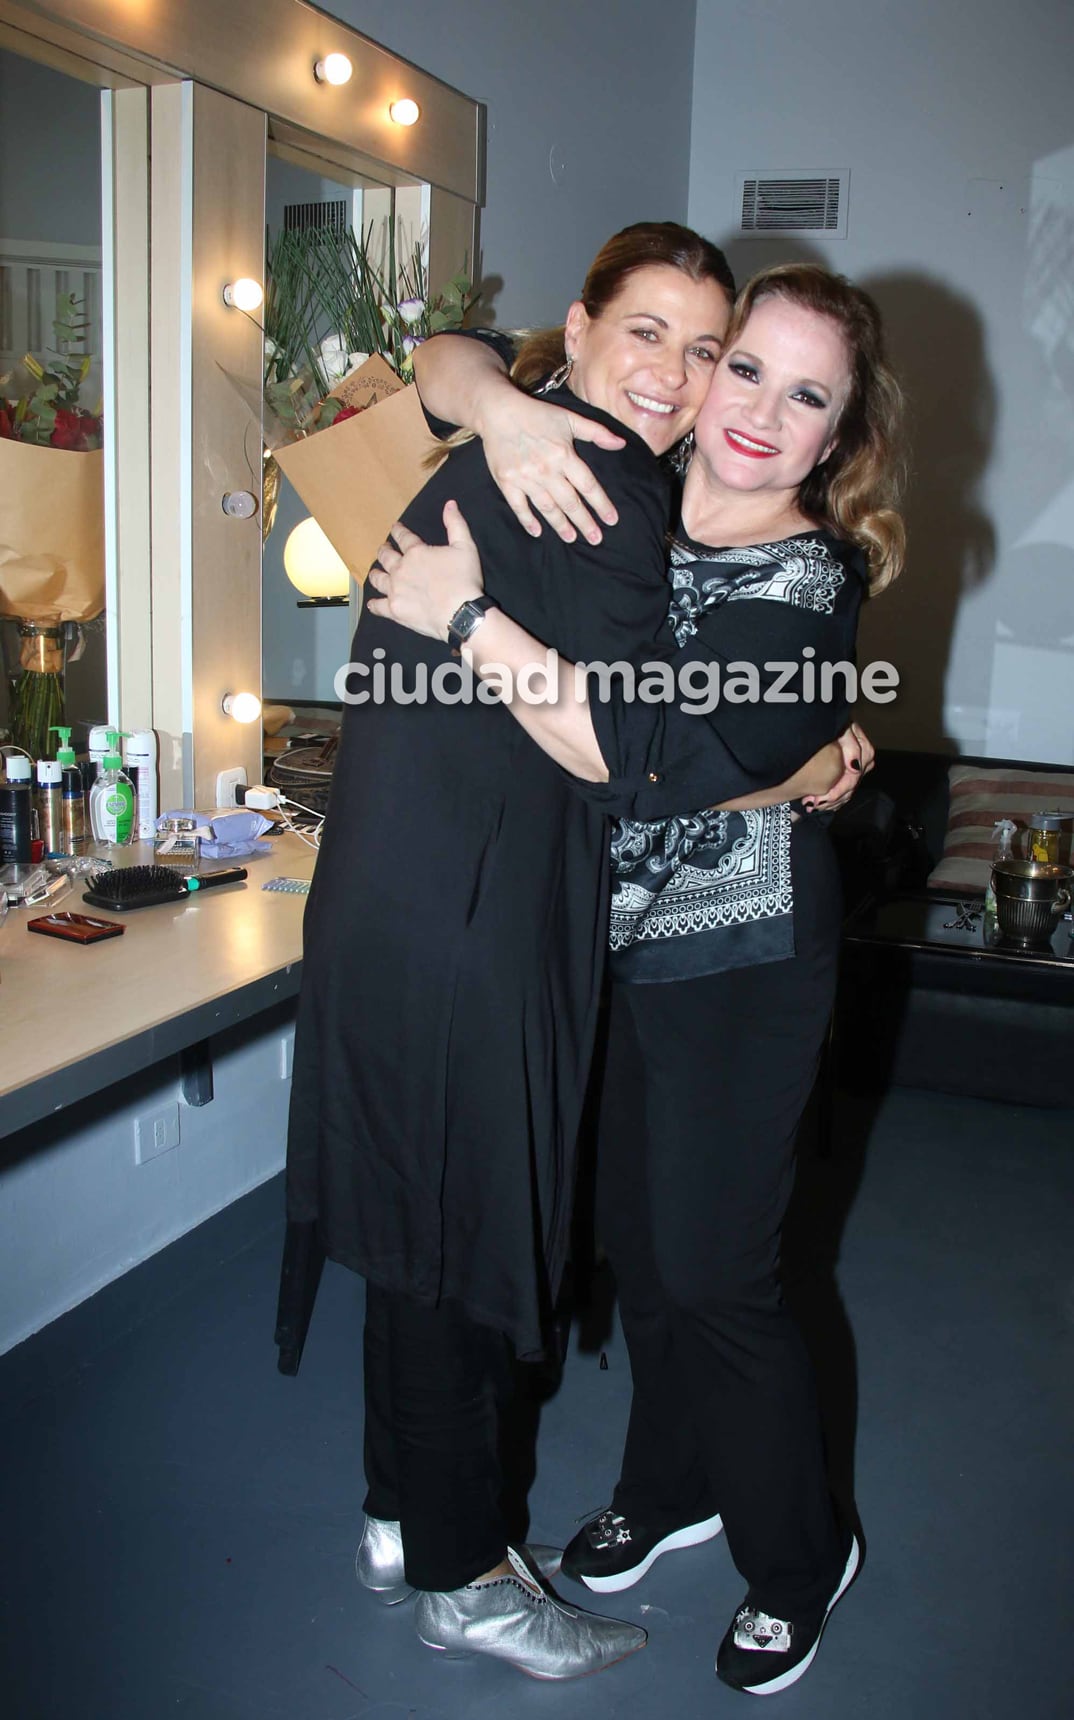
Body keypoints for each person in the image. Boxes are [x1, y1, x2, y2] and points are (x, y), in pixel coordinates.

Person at [284, 224, 855, 1684]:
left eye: (801, 395)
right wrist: (494, 396)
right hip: (549, 941)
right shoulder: (607, 480)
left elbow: (648, 749)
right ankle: (563, 1522)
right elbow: (435, 369)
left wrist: (795, 770)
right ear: (585, 333)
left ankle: (793, 1550)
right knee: (567, 1256)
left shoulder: (789, 575)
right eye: (724, 358)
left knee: (705, 1274)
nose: (719, 391)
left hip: (720, 963)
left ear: (834, 437)